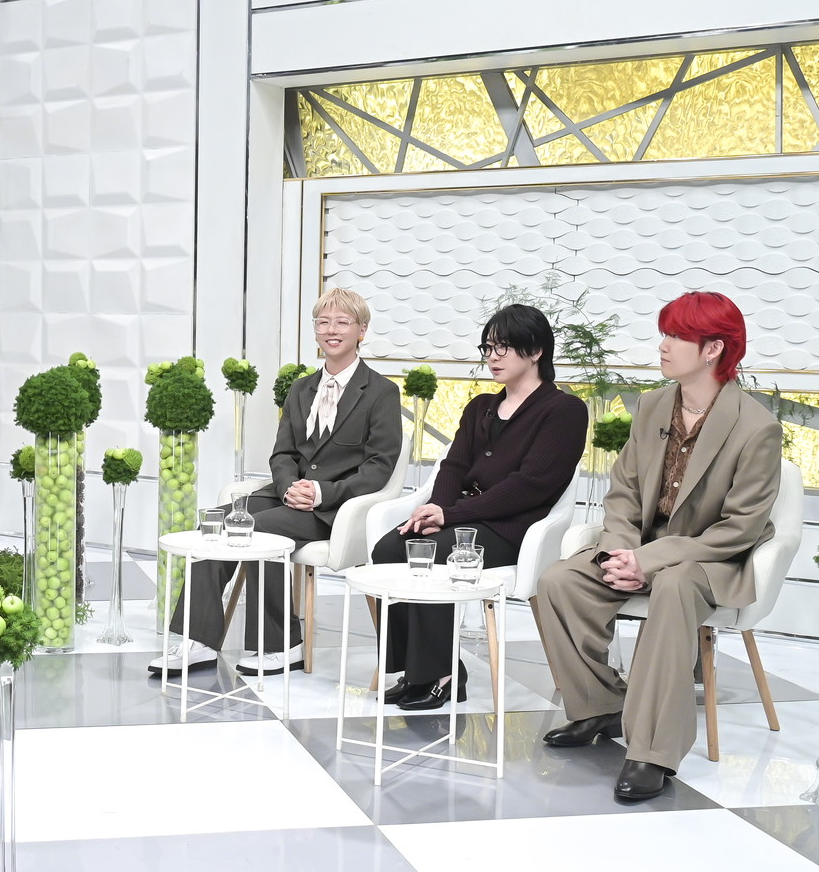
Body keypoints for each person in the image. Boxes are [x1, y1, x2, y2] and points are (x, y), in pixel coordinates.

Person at [537, 291, 781, 800]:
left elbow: (739, 528)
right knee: (559, 580)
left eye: (676, 336)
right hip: (641, 547)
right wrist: (620, 553)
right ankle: (598, 706)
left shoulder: (756, 427)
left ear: (713, 349)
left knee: (671, 587)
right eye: (664, 334)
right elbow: (624, 492)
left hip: (707, 560)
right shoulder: (652, 406)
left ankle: (653, 752)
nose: (663, 345)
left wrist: (648, 561)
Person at [149, 287, 402, 676]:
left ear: (361, 330)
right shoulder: (301, 389)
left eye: (342, 322)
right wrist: (288, 487)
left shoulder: (382, 392)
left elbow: (379, 466)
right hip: (287, 496)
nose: (331, 330)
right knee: (214, 522)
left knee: (258, 530)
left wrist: (321, 492)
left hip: (336, 509)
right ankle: (198, 641)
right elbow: (282, 453)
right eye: (322, 322)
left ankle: (284, 644)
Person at [371, 304, 587, 709]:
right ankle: (416, 669)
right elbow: (453, 467)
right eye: (488, 347)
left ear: (536, 351)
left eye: (503, 347)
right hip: (463, 519)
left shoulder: (564, 411)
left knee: (430, 555)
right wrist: (434, 511)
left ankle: (443, 675)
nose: (492, 357)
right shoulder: (480, 406)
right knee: (387, 550)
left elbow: (530, 486)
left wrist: (451, 515)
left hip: (511, 529)